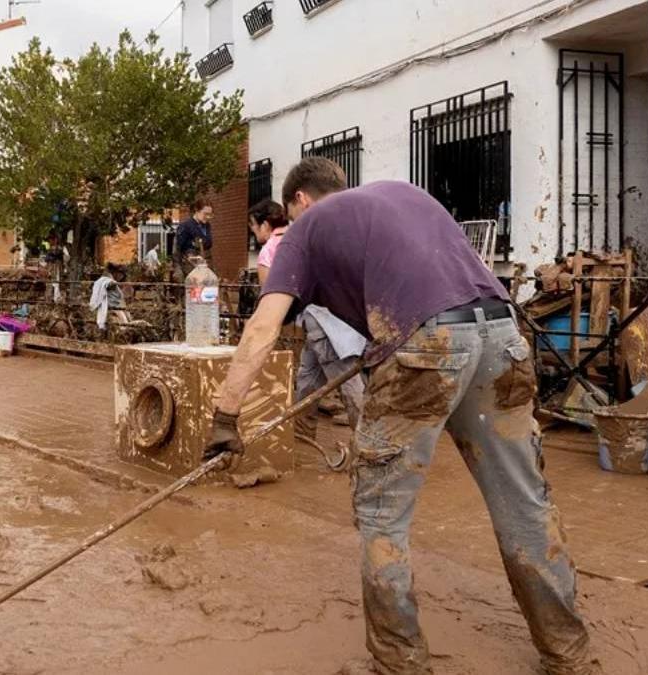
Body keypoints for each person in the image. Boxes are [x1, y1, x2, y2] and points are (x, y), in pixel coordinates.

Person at [204, 158, 595, 675]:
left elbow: (262, 328)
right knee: (525, 503)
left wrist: (226, 416)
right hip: (502, 335)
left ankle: (399, 664)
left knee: (382, 515)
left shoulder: (303, 231)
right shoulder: (402, 194)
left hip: (426, 347)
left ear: (300, 200)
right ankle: (569, 655)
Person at [250, 198, 366, 443]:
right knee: (308, 376)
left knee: (345, 376)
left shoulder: (270, 250)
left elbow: (270, 296)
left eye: (253, 226)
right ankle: (302, 432)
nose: (253, 232)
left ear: (264, 225)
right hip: (337, 312)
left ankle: (368, 441)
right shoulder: (304, 236)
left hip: (320, 318)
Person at [173, 199, 213, 279]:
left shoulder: (207, 226)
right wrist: (177, 269)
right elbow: (177, 249)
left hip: (205, 269)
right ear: (197, 210)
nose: (208, 217)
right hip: (190, 270)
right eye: (205, 214)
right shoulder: (185, 226)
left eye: (210, 214)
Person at [89, 263, 130, 329]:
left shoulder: (109, 280)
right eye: (122, 275)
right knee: (124, 326)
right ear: (117, 273)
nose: (122, 277)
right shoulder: (108, 280)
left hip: (115, 307)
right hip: (112, 309)